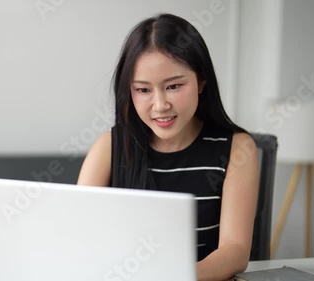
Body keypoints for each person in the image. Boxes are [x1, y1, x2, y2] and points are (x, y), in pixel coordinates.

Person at [77, 13, 259, 281]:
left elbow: (235, 252)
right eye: (143, 90)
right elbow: (78, 235)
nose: (160, 105)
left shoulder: (237, 148)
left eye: (173, 86)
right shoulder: (110, 147)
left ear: (201, 82)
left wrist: (176, 277)